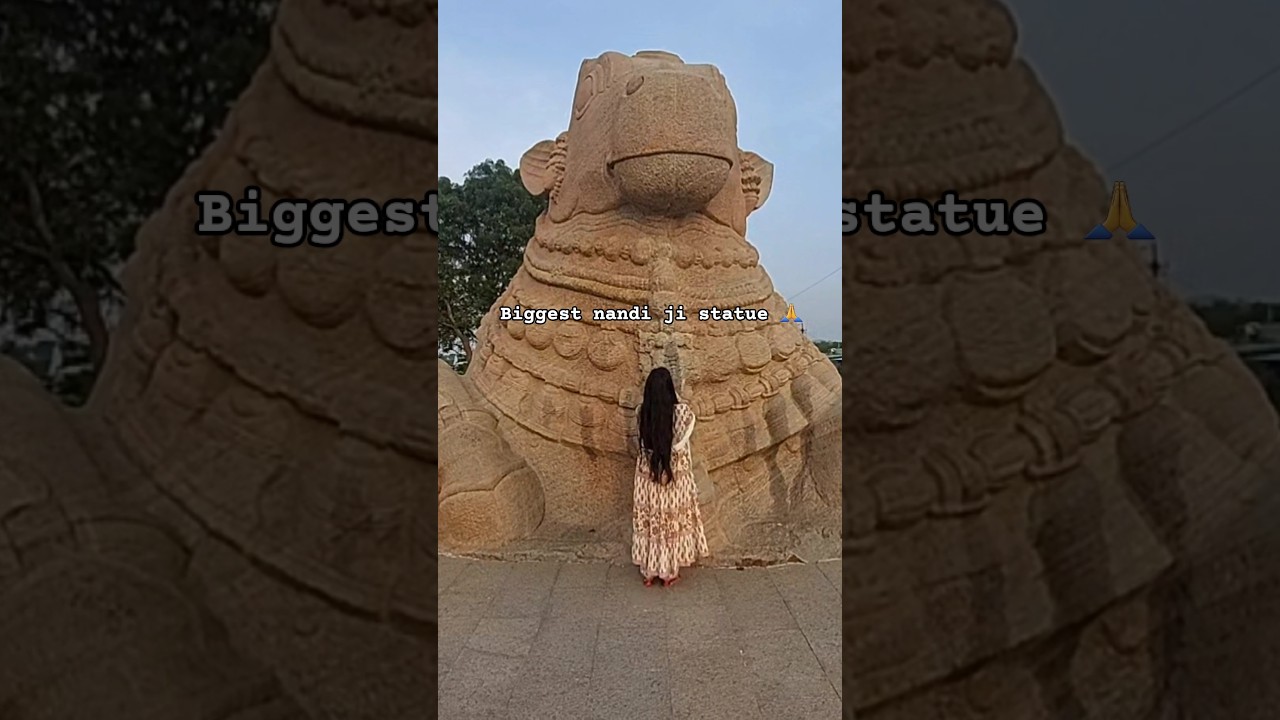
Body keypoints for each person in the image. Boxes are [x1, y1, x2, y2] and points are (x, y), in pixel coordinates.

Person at [631, 366, 709, 586]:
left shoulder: (641, 412)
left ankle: (649, 571)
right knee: (670, 522)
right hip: (674, 476)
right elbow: (679, 444)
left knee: (652, 521)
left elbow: (645, 442)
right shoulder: (684, 414)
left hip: (648, 476)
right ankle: (669, 572)